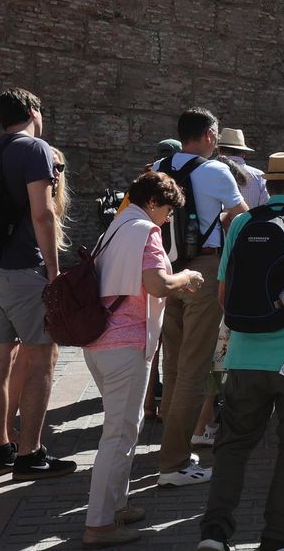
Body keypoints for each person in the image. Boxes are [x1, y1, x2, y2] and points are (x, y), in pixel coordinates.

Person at [198, 153, 284, 551]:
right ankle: (278, 535)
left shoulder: (241, 223)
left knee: (232, 448)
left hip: (243, 356)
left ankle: (214, 534)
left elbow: (225, 295)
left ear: (270, 186)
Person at [82, 171, 204, 548]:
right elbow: (156, 284)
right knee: (119, 435)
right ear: (154, 202)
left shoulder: (116, 226)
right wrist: (186, 276)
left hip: (100, 343)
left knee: (121, 429)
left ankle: (116, 505)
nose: (168, 218)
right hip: (126, 344)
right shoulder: (146, 230)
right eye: (168, 210)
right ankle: (99, 523)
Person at [0, 89, 75, 481]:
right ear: (34, 111)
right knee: (41, 359)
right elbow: (43, 213)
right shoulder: (35, 149)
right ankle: (30, 454)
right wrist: (53, 269)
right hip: (21, 270)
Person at [157, 109, 249, 489]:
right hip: (204, 271)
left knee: (173, 366)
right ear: (210, 135)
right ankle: (174, 462)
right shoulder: (215, 171)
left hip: (166, 272)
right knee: (195, 369)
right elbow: (243, 218)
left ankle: (170, 449)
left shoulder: (157, 167)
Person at [216, 129, 268, 210]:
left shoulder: (211, 172)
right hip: (252, 222)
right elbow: (265, 205)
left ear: (219, 151)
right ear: (243, 154)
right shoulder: (259, 175)